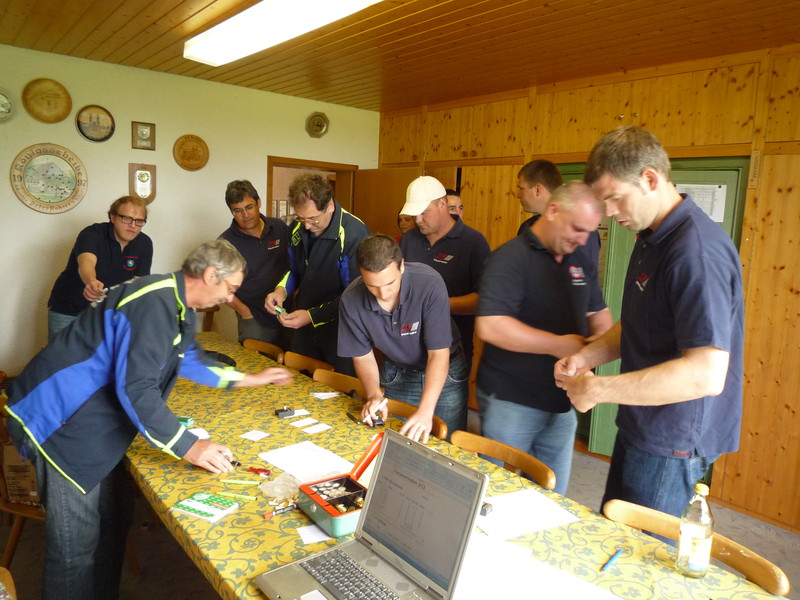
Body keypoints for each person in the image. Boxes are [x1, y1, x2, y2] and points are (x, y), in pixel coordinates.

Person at [6, 239, 293, 600]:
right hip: (59, 424)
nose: (230, 297)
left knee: (113, 522)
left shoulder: (176, 302)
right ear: (210, 275)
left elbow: (190, 360)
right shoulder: (154, 302)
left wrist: (250, 379)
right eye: (231, 288)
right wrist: (190, 447)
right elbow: (137, 389)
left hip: (93, 424)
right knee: (74, 551)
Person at [554, 126, 744, 517]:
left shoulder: (696, 253)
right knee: (614, 528)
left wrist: (599, 389)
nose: (609, 212)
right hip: (641, 421)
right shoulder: (651, 236)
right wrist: (588, 357)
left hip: (673, 439)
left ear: (650, 179)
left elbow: (705, 375)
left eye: (615, 198)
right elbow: (639, 322)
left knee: (641, 548)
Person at [476, 182, 612, 496]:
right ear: (553, 210)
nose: (583, 239)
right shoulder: (510, 258)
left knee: (552, 498)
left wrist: (596, 349)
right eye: (577, 228)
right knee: (497, 497)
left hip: (562, 402)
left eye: (589, 232)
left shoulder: (579, 260)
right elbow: (490, 326)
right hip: (511, 402)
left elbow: (599, 314)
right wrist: (560, 345)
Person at [338, 234, 468, 441]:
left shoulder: (429, 283)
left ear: (402, 266)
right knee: (396, 441)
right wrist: (374, 395)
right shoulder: (351, 299)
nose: (383, 294)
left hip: (445, 371)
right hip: (397, 371)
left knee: (447, 446)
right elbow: (362, 356)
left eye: (390, 283)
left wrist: (425, 411)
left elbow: (438, 354)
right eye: (372, 286)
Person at [265, 174, 370, 375]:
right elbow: (293, 270)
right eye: (301, 217)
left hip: (342, 328)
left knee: (339, 388)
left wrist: (312, 316)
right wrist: (280, 291)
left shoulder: (354, 234)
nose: (306, 225)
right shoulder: (297, 228)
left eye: (313, 218)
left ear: (329, 205)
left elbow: (356, 295)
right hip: (304, 323)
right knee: (299, 381)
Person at [399, 176, 490, 369]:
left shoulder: (473, 242)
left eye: (424, 213)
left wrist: (434, 306)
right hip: (407, 350)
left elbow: (483, 299)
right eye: (414, 214)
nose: (418, 220)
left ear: (442, 204)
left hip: (452, 352)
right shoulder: (408, 239)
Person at [47, 195, 153, 341]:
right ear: (113, 217)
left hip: (108, 314)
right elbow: (86, 262)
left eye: (139, 221)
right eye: (126, 218)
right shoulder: (92, 234)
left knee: (103, 355)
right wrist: (91, 281)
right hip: (69, 310)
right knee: (62, 355)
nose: (133, 225)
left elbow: (139, 284)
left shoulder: (144, 243)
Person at [218, 179, 290, 345]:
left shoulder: (279, 227)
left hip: (288, 313)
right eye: (238, 210)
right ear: (232, 212)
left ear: (259, 203)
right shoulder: (225, 243)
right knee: (255, 361)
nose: (245, 215)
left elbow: (296, 264)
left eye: (249, 207)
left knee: (291, 360)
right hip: (254, 319)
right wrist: (244, 312)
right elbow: (219, 286)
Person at [516, 159, 563, 235]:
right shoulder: (528, 227)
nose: (518, 195)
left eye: (521, 188)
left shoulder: (573, 227)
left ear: (538, 189)